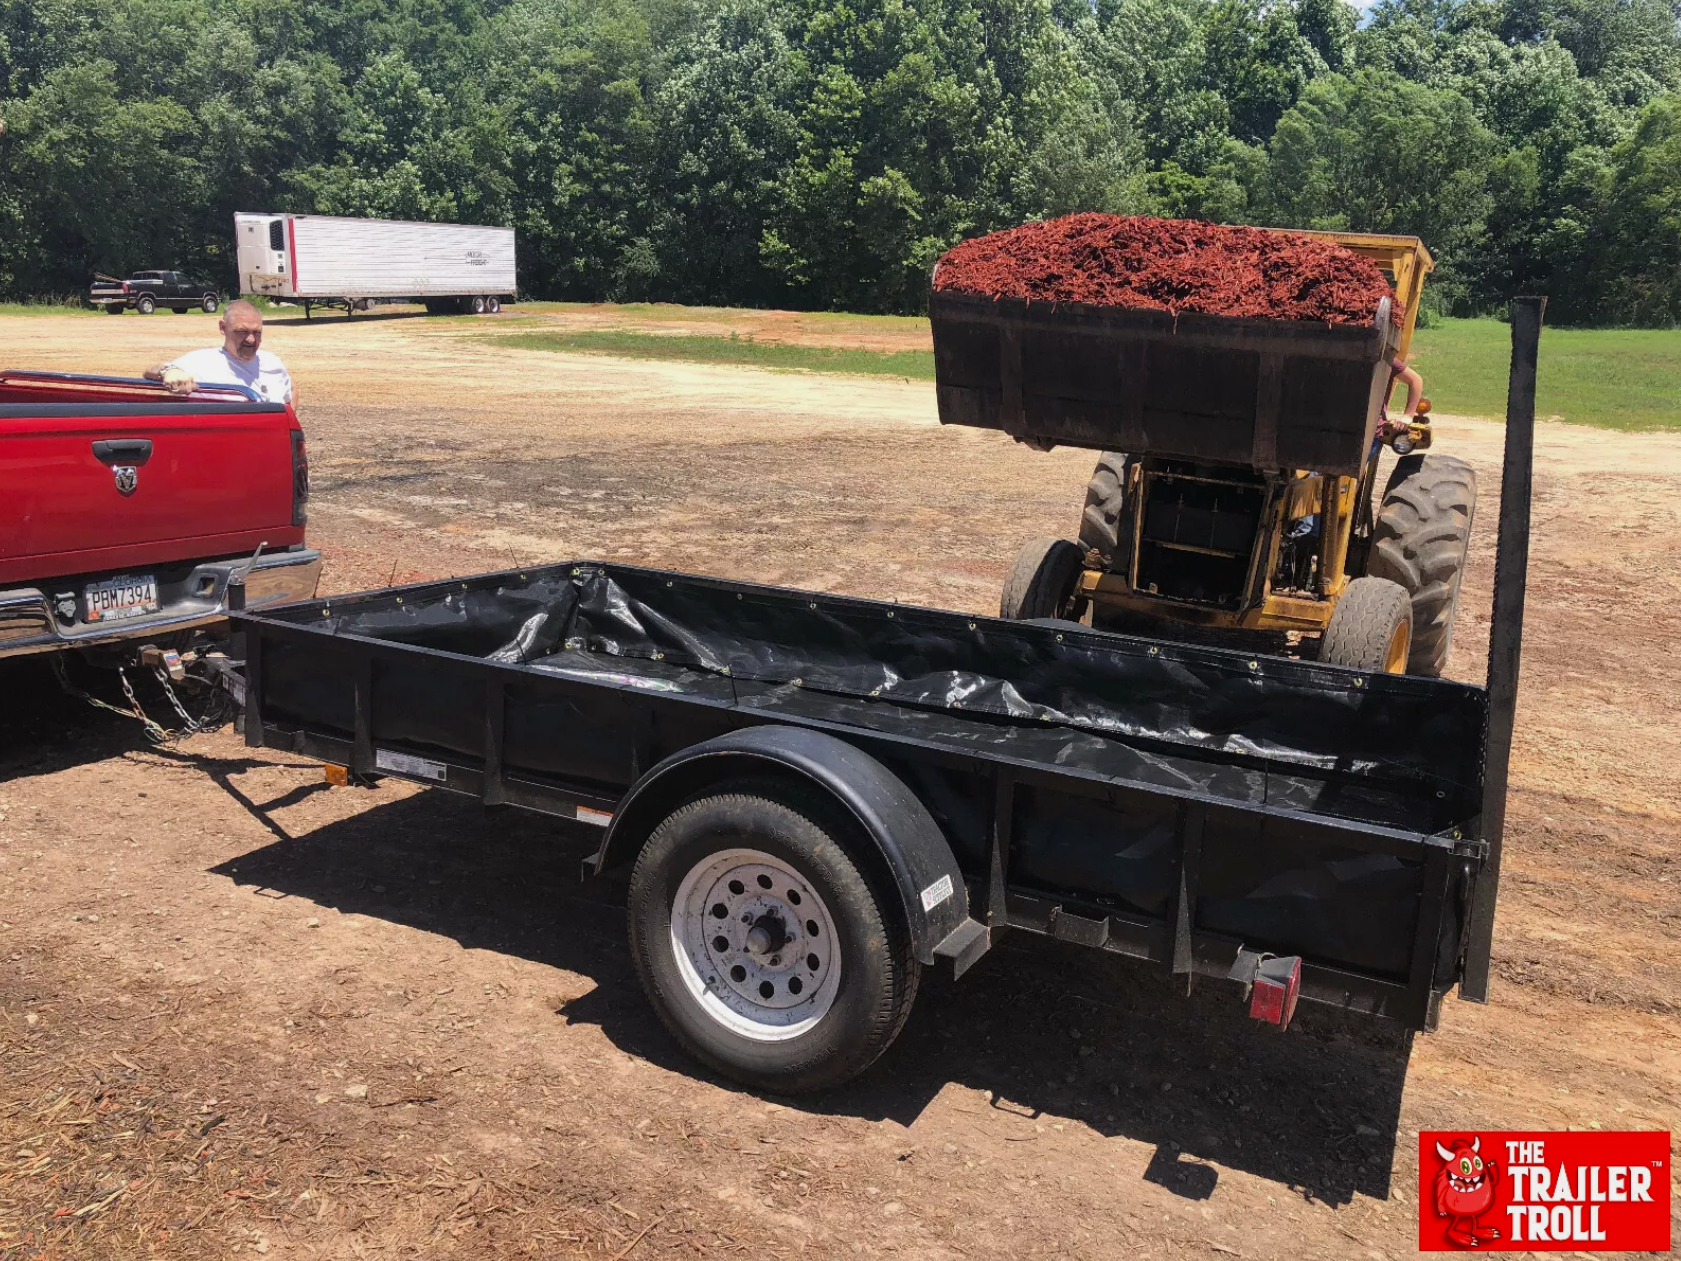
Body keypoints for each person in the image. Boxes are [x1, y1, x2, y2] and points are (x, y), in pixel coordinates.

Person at [144, 299, 296, 407]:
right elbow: (150, 371)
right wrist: (169, 372)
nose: (251, 340)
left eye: (257, 333)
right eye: (242, 332)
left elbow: (292, 391)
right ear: (223, 328)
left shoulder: (273, 362)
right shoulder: (203, 361)